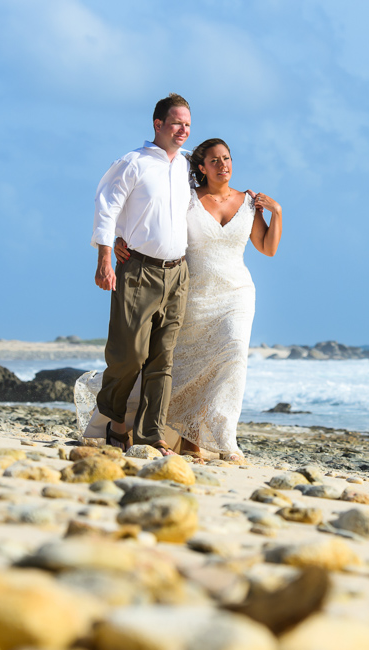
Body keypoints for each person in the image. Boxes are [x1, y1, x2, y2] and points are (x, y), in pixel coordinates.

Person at [114, 138, 282, 463]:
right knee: (186, 367)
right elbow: (149, 216)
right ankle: (188, 437)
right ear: (202, 168)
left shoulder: (249, 202)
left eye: (227, 158)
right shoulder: (186, 199)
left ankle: (225, 439)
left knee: (232, 360)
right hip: (193, 293)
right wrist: (121, 238)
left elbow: (267, 247)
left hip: (237, 294)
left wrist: (276, 212)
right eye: (215, 161)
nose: (224, 165)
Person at [90, 93, 192, 456]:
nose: (183, 130)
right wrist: (106, 254)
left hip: (178, 274)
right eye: (177, 122)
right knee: (129, 354)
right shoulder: (132, 162)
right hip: (137, 270)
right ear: (158, 124)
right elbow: (107, 206)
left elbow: (215, 188)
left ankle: (151, 435)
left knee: (162, 360)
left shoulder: (186, 167)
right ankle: (114, 420)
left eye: (188, 125)